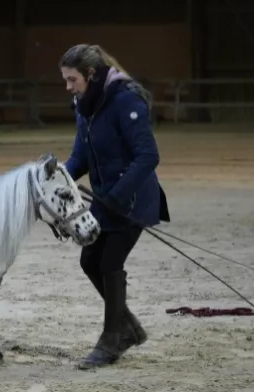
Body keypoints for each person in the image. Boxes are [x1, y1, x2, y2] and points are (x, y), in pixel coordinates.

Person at [59, 43, 170, 369]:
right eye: (65, 80)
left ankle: (112, 340)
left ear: (91, 75)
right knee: (89, 260)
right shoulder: (84, 104)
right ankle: (129, 328)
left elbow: (148, 155)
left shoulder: (125, 101)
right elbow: (80, 156)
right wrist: (58, 177)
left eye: (72, 80)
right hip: (106, 200)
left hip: (132, 199)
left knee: (109, 262)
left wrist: (119, 195)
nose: (68, 87)